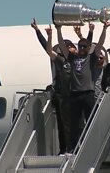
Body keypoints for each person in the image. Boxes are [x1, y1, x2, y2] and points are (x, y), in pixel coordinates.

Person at [56, 21, 110, 152]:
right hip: (75, 94)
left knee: (91, 121)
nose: (81, 49)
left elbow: (100, 44)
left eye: (84, 47)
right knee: (74, 124)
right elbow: (63, 46)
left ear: (88, 48)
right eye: (79, 46)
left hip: (88, 94)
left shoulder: (91, 58)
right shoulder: (72, 58)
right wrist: (59, 30)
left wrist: (104, 29)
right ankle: (73, 148)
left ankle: (93, 147)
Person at [31, 19, 74, 154]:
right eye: (65, 47)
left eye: (70, 46)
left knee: (74, 125)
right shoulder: (61, 60)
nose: (68, 49)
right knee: (62, 125)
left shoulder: (80, 59)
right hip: (63, 96)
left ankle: (73, 147)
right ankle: (64, 149)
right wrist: (38, 31)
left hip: (75, 95)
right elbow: (46, 47)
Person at [73, 24, 108, 100]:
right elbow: (87, 46)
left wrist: (104, 29)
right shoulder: (90, 63)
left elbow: (99, 44)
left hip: (97, 96)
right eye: (98, 57)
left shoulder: (103, 67)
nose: (99, 58)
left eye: (101, 57)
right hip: (89, 94)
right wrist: (81, 35)